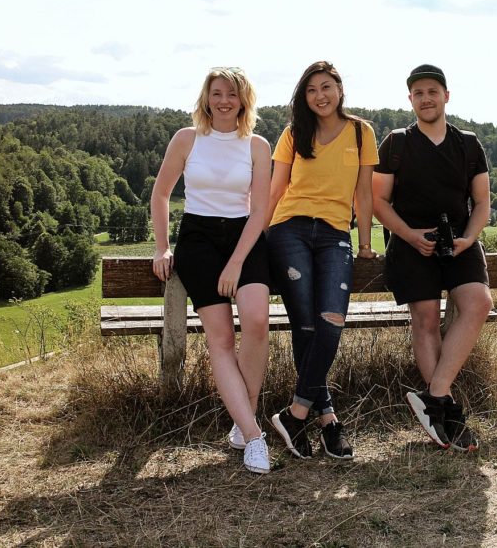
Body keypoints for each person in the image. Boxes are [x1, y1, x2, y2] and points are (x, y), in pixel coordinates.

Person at [150, 66, 273, 474]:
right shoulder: (187, 139)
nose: (224, 101)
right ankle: (254, 437)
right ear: (207, 97)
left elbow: (260, 211)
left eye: (232, 95)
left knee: (256, 322)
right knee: (220, 339)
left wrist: (237, 261)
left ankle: (245, 418)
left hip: (244, 238)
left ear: (243, 101)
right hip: (198, 240)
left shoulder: (256, 145)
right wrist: (163, 248)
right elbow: (162, 193)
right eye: (217, 93)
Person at [372, 64, 493, 452]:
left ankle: (436, 395)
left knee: (479, 303)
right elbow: (378, 201)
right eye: (418, 93)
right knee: (424, 318)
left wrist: (469, 237)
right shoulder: (396, 142)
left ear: (446, 96)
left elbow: (482, 201)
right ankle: (446, 414)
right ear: (410, 100)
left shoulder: (468, 143)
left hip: (458, 240)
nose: (426, 98)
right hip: (411, 242)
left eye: (432, 92)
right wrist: (408, 235)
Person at [266, 60, 378, 460]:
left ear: (340, 89)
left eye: (326, 86)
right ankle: (328, 420)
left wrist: (365, 244)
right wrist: (255, 240)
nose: (320, 95)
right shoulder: (294, 133)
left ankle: (296, 414)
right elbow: (276, 190)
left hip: (334, 235)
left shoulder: (362, 132)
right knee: (308, 325)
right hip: (289, 230)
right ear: (304, 96)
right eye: (312, 89)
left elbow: (364, 193)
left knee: (331, 322)